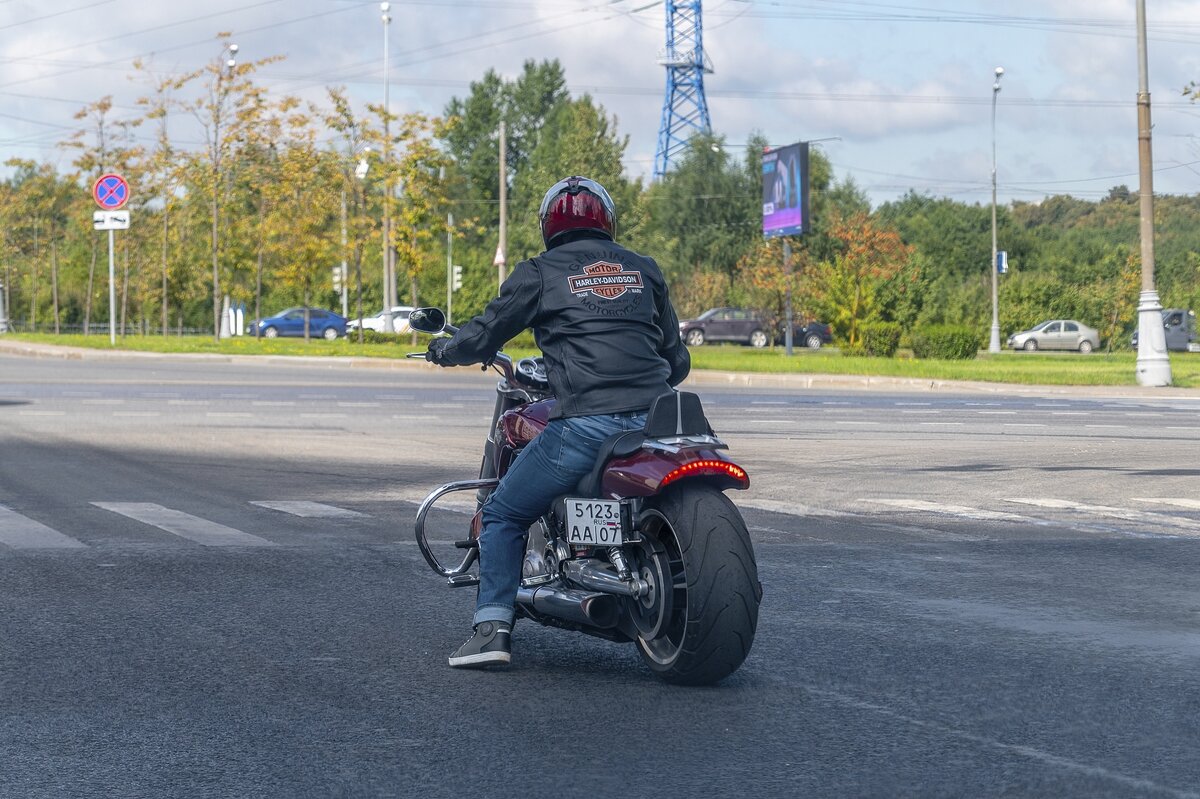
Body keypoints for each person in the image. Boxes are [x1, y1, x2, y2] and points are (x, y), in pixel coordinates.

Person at [425, 175, 691, 668]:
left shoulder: (539, 273)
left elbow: (483, 337)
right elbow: (675, 359)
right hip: (659, 420)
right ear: (608, 220)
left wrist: (444, 349)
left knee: (503, 513)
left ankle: (491, 633)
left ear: (548, 225)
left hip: (588, 422)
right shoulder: (644, 269)